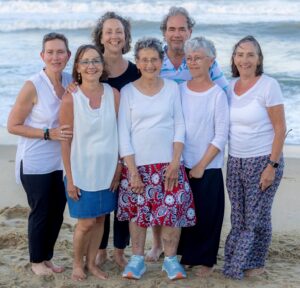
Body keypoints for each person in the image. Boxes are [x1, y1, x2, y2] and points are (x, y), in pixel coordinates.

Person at [147, 5, 229, 262]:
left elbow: (228, 94)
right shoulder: (156, 61)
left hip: (198, 148)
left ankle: (192, 253)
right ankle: (158, 245)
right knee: (165, 199)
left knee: (196, 205)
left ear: (189, 31)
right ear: (165, 33)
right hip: (166, 140)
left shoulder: (205, 66)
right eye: (172, 28)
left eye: (182, 28)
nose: (177, 33)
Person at [117, 37, 196, 280]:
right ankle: (137, 260)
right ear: (137, 63)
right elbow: (123, 133)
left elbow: (180, 126)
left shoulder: (172, 88)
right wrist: (132, 172)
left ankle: (171, 261)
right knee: (138, 215)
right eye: (144, 60)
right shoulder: (127, 91)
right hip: (138, 166)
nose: (149, 64)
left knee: (171, 213)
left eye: (154, 59)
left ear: (161, 62)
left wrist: (175, 163)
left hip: (169, 165)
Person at [7, 32, 72, 276]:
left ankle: (47, 258)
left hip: (61, 162)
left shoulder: (69, 81)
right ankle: (36, 261)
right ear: (42, 56)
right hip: (35, 163)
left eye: (60, 52)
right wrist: (48, 133)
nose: (55, 57)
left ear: (68, 55)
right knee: (41, 210)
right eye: (50, 52)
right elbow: (13, 125)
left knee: (57, 211)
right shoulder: (32, 85)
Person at [223, 36, 286, 279]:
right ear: (233, 58)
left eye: (250, 54)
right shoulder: (230, 86)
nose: (245, 60)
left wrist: (272, 165)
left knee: (255, 217)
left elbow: (280, 129)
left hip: (263, 160)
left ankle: (252, 263)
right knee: (238, 216)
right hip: (235, 161)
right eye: (240, 54)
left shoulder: (268, 85)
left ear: (259, 59)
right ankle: (235, 260)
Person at [60, 44, 120, 281]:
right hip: (81, 172)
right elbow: (65, 142)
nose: (91, 66)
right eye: (85, 61)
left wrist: (118, 167)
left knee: (101, 220)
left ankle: (93, 263)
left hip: (107, 172)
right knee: (85, 223)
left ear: (102, 65)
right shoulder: (70, 98)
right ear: (77, 67)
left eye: (96, 61)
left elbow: (119, 133)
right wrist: (70, 179)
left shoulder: (113, 94)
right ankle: (77, 264)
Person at [176, 37, 229, 277]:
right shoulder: (179, 90)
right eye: (189, 58)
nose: (193, 62)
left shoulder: (217, 94)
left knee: (208, 214)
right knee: (186, 213)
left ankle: (206, 260)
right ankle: (187, 256)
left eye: (198, 57)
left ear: (211, 60)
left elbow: (220, 135)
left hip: (208, 165)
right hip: (182, 162)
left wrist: (200, 165)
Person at [92, 12, 140, 268]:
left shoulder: (135, 71)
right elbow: (77, 90)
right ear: (100, 37)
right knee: (102, 196)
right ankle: (100, 249)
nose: (114, 36)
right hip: (100, 144)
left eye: (119, 31)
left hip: (128, 143)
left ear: (126, 36)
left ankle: (120, 250)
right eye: (109, 31)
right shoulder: (92, 68)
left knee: (124, 198)